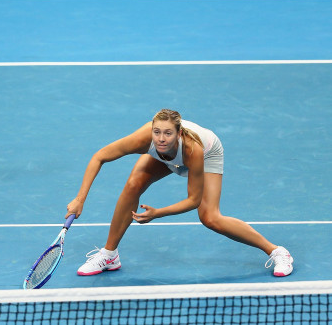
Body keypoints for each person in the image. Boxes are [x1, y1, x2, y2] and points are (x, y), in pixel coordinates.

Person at [66, 109, 293, 277]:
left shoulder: (194, 149)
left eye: (167, 133)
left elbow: (193, 200)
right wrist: (79, 198)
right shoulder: (146, 139)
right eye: (157, 133)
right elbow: (100, 156)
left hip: (208, 155)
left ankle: (277, 251)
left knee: (210, 218)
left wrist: (158, 213)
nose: (161, 139)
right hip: (169, 158)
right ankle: (109, 254)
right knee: (134, 184)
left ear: (178, 133)